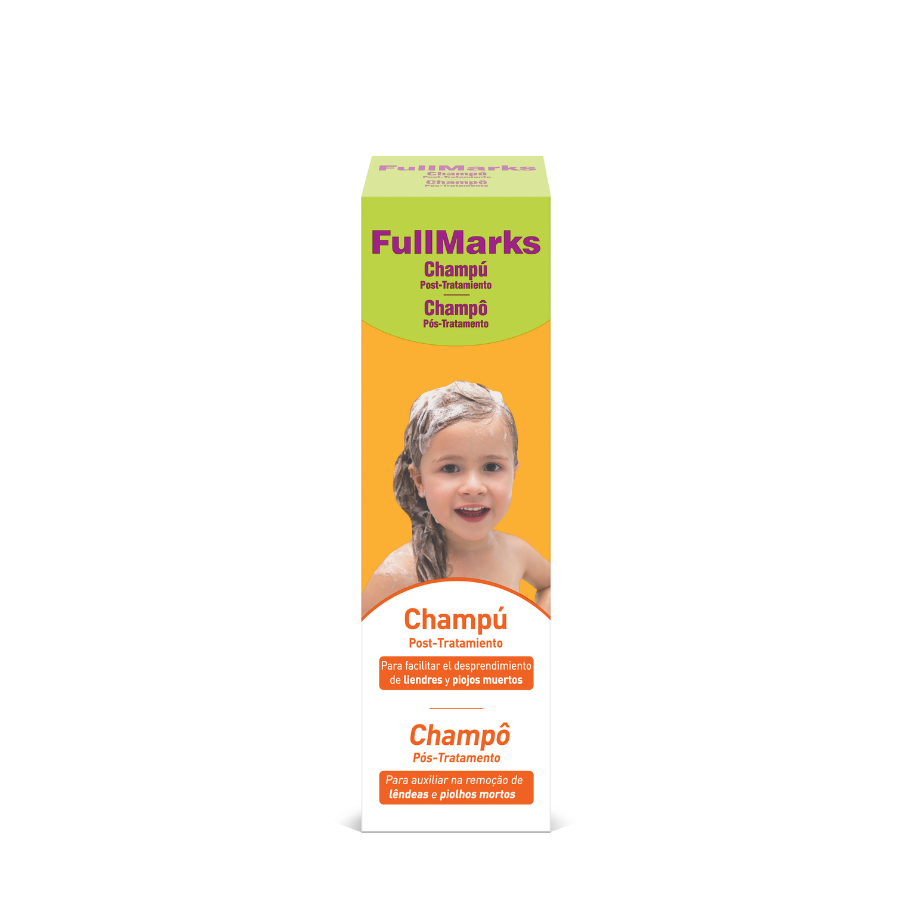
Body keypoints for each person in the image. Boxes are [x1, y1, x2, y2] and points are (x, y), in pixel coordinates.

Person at [361, 381, 550, 616]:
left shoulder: (516, 552)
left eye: (491, 466)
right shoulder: (399, 572)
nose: (473, 488)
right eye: (450, 468)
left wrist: (539, 627)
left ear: (513, 474)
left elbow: (550, 584)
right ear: (419, 482)